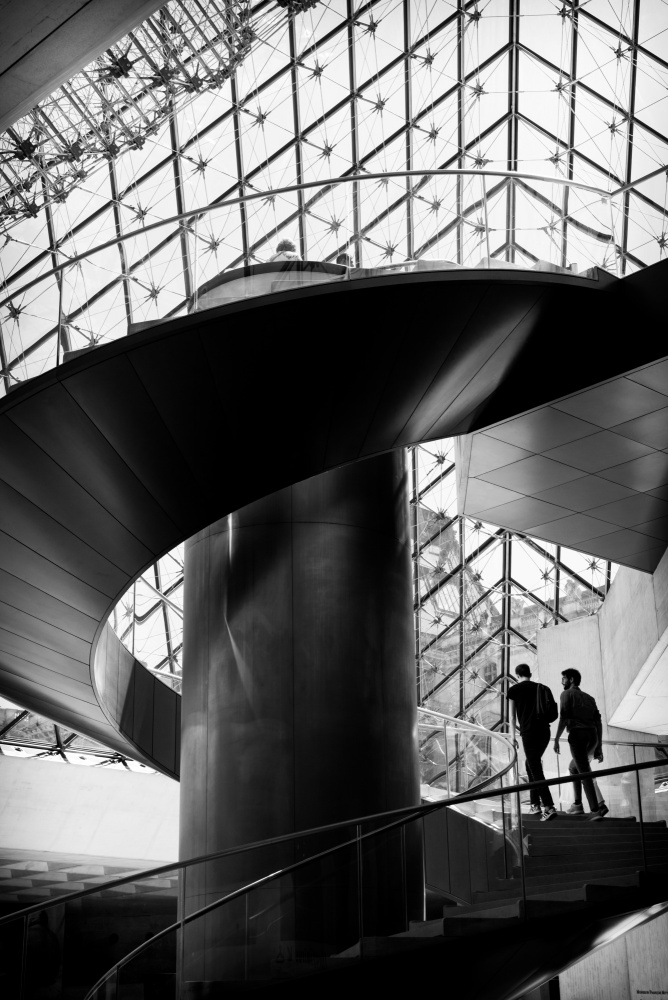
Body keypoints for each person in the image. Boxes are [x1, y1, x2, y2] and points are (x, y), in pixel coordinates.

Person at [553, 668, 608, 821]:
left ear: (571, 679)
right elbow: (598, 722)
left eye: (564, 678)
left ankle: (595, 810)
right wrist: (599, 746)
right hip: (593, 736)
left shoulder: (566, 694)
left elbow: (563, 718)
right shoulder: (589, 698)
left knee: (584, 773)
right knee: (573, 767)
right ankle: (577, 804)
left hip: (578, 735)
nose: (562, 681)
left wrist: (556, 739)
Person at [507, 663, 557, 822]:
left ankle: (549, 806)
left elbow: (512, 717)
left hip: (529, 732)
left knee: (534, 767)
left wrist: (512, 736)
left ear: (517, 675)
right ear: (529, 673)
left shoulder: (514, 690)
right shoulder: (542, 687)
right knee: (531, 764)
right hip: (544, 731)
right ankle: (535, 804)